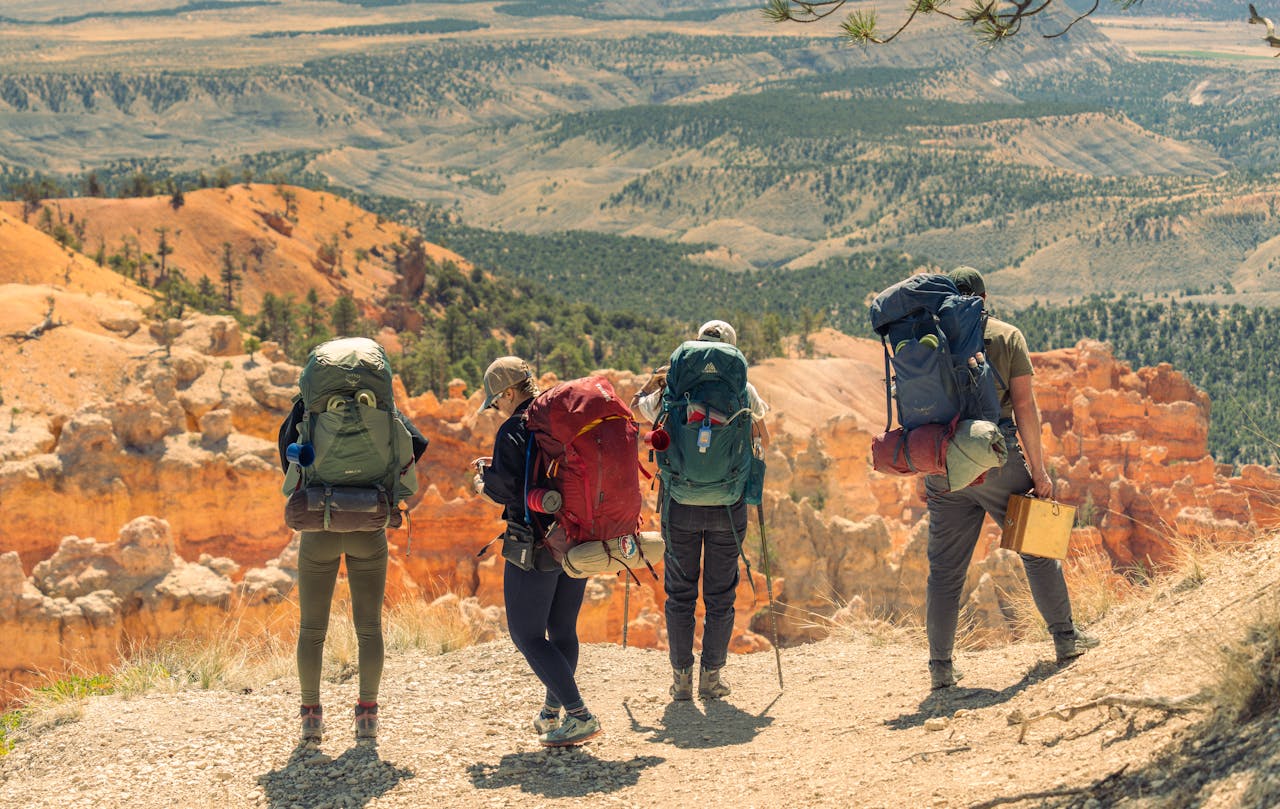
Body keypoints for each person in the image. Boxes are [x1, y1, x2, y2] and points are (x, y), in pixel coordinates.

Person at [924, 267, 1098, 690]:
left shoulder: (928, 339)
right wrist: (1039, 471)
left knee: (945, 572)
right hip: (997, 457)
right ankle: (1065, 639)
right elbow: (1025, 408)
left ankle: (941, 668)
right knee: (1037, 549)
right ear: (983, 297)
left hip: (945, 465)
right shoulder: (1005, 336)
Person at [632, 320, 770, 701]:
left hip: (680, 503)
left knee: (680, 595)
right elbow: (763, 440)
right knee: (720, 595)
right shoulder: (745, 390)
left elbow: (634, 412)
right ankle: (711, 679)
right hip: (728, 504)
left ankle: (680, 681)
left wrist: (654, 382)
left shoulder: (673, 388)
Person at [277, 395, 428, 743]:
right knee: (369, 627)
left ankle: (311, 719)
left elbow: (286, 455)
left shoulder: (309, 407)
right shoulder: (381, 407)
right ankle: (367, 718)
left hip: (320, 526)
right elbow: (417, 443)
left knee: (312, 629)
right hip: (368, 526)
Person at [475, 356, 602, 747]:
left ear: (509, 393)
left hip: (536, 544)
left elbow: (510, 489)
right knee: (562, 629)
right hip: (577, 538)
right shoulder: (558, 417)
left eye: (496, 400)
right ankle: (551, 713)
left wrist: (483, 482)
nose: (496, 407)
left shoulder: (515, 427)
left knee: (526, 634)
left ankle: (579, 715)